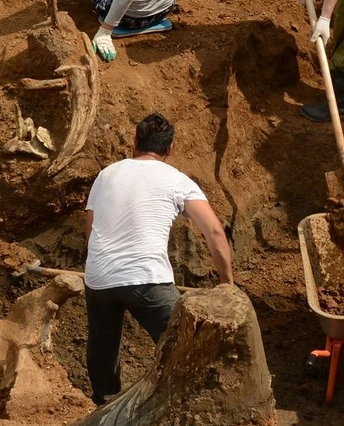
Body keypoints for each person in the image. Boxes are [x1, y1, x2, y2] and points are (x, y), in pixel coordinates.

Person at [81, 112, 233, 404]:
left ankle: (104, 400)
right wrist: (227, 283)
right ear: (170, 150)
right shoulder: (176, 180)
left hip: (99, 278)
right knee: (182, 343)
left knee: (103, 345)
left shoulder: (106, 174)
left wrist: (105, 267)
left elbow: (90, 230)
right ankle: (184, 401)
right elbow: (214, 231)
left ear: (134, 142)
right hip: (147, 279)